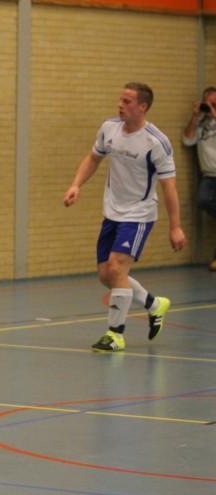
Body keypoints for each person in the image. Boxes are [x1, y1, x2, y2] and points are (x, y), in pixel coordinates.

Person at [63, 82, 188, 352]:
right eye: (120, 100)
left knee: (118, 268)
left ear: (143, 107)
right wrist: (76, 184)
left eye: (127, 101)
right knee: (106, 275)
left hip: (139, 213)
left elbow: (169, 187)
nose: (120, 105)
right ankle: (155, 304)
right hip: (112, 211)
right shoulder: (109, 129)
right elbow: (93, 158)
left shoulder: (156, 142)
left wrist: (175, 226)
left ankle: (115, 334)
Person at [182, 86, 216, 271]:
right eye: (207, 103)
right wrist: (196, 116)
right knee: (203, 200)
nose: (209, 107)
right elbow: (187, 140)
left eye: (214, 103)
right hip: (209, 175)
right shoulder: (201, 121)